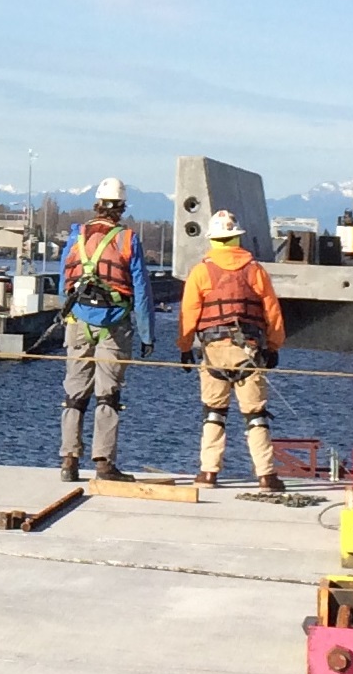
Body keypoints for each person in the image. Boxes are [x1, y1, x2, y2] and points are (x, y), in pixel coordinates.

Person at [177, 210, 286, 491]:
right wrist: (274, 346)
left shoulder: (201, 271)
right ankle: (266, 476)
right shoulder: (256, 271)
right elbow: (272, 311)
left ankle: (209, 473)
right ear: (237, 237)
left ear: (213, 240)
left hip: (214, 351)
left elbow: (189, 313)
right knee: (255, 414)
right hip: (249, 352)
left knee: (214, 411)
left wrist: (185, 347)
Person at [58, 177, 155, 482]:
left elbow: (65, 283)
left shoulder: (77, 236)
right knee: (107, 395)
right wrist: (146, 334)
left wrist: (68, 316)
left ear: (96, 205)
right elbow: (141, 290)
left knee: (74, 394)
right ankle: (103, 463)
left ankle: (68, 461)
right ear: (121, 208)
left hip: (77, 324)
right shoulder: (128, 240)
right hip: (113, 325)